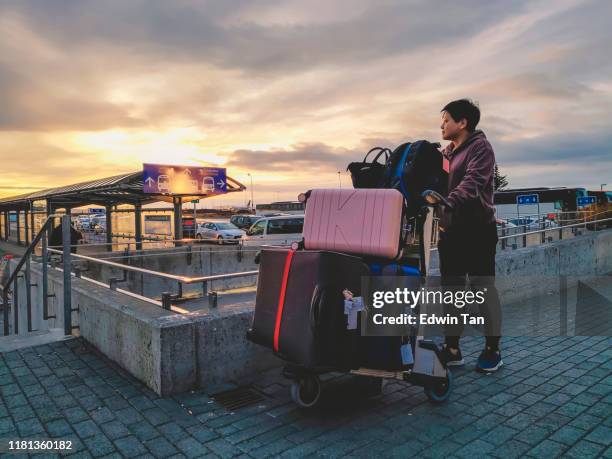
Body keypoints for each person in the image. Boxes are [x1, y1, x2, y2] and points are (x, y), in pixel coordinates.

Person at [435, 98, 503, 372]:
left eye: (446, 120)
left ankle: (493, 349)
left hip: (478, 231)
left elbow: (473, 182)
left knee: (482, 289)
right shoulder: (446, 154)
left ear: (463, 122)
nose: (442, 125)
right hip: (451, 232)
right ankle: (452, 349)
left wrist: (447, 202)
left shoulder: (480, 148)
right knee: (452, 292)